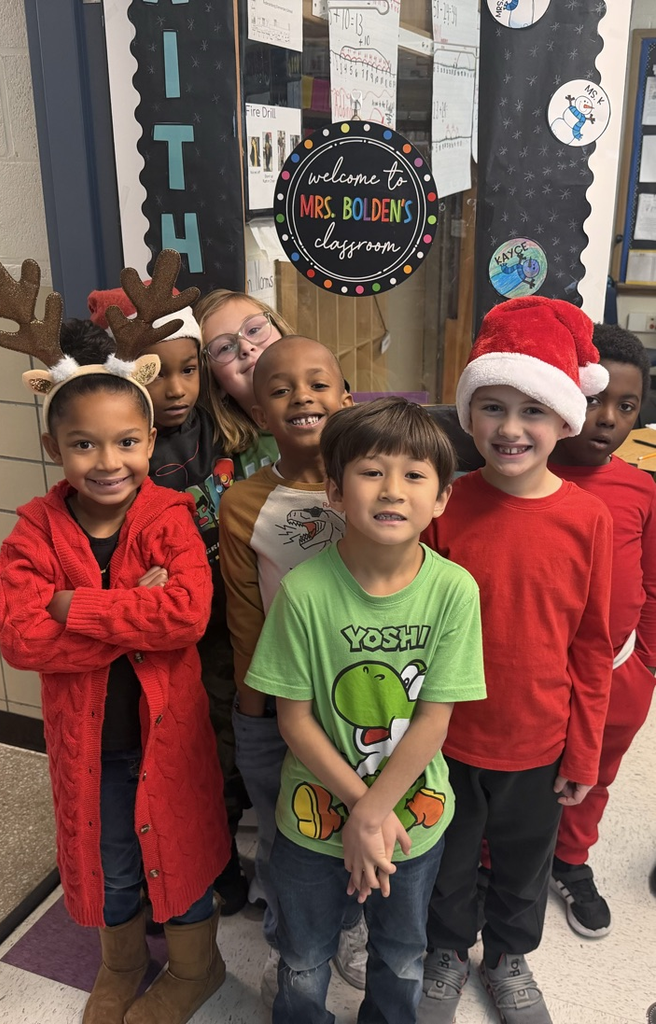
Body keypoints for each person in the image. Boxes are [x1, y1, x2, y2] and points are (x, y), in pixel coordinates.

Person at [0, 250, 230, 1024]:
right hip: (90, 741)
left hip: (167, 733)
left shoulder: (171, 519)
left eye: (125, 443)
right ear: (56, 449)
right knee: (111, 857)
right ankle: (121, 965)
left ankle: (196, 968)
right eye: (85, 444)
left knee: (177, 854)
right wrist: (127, 612)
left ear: (149, 445)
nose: (107, 461)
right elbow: (21, 639)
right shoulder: (33, 533)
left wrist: (75, 606)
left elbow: (186, 615)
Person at [244, 397, 486, 1024]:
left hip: (414, 819)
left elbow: (435, 718)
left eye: (414, 476)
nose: (392, 491)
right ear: (334, 490)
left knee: (404, 954)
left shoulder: (454, 590)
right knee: (303, 956)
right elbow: (293, 719)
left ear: (440, 500)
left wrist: (374, 816)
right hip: (313, 819)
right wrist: (359, 810)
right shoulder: (304, 592)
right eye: (372, 471)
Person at [420, 296, 614, 1024]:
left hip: (539, 740)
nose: (510, 428)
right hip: (446, 737)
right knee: (449, 861)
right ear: (468, 417)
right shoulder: (443, 504)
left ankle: (507, 956)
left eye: (533, 411)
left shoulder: (586, 517)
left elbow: (594, 645)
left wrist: (583, 750)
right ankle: (446, 949)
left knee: (526, 863)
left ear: (564, 419)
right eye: (492, 407)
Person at [89, 263, 255, 914]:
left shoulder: (215, 424)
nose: (179, 387)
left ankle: (225, 851)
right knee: (182, 751)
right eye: (158, 372)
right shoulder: (129, 449)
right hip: (168, 629)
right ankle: (193, 866)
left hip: (227, 615)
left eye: (189, 368)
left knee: (228, 736)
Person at [218, 336, 368, 1004]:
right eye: (280, 389)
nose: (302, 397)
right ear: (259, 413)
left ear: (345, 399)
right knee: (285, 833)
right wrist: (254, 711)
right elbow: (246, 614)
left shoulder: (378, 485)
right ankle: (290, 935)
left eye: (318, 384)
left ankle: (357, 924)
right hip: (279, 708)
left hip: (365, 705)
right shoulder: (244, 503)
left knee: (362, 821)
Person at [549, 324, 656, 937]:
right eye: (594, 399)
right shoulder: (522, 475)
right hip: (538, 672)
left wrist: (647, 664)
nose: (608, 418)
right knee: (520, 771)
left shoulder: (641, 487)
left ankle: (571, 858)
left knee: (597, 771)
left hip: (618, 672)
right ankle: (491, 863)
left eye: (627, 406)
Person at [193, 288, 294, 477]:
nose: (246, 347)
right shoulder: (220, 459)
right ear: (215, 383)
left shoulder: (337, 420)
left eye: (254, 330)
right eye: (225, 347)